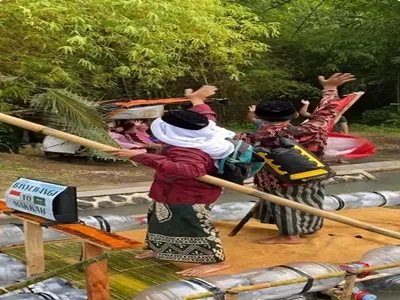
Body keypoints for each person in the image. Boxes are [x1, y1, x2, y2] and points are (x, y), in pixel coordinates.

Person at [106, 86, 234, 276]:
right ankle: (159, 249)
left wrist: (139, 156)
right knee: (159, 220)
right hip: (169, 190)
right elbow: (205, 115)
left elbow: (191, 169)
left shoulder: (189, 148)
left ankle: (215, 261)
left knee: (193, 225)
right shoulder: (200, 130)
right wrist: (197, 99)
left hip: (189, 195)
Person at [236, 73, 356, 245]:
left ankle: (289, 235)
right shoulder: (313, 129)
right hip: (313, 173)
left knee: (283, 204)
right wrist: (330, 89)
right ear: (293, 115)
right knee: (311, 199)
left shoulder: (249, 138)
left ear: (259, 118)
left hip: (277, 180)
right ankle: (310, 227)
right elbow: (328, 111)